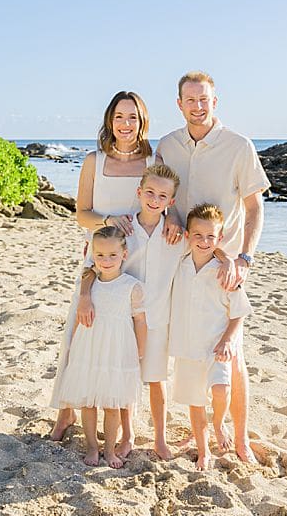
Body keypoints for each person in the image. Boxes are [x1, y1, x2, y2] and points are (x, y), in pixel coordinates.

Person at [155, 70, 269, 463]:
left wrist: (245, 259)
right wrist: (170, 216)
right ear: (179, 104)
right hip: (181, 265)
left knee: (232, 356)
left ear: (214, 102)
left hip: (226, 266)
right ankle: (202, 431)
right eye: (191, 99)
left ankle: (239, 440)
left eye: (204, 99)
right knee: (190, 354)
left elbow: (255, 209)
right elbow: (161, 195)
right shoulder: (167, 146)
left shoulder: (239, 146)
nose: (198, 106)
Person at [49, 91, 152, 444]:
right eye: (120, 117)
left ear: (142, 122)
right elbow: (81, 213)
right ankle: (66, 411)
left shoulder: (154, 161)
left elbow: (164, 201)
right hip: (101, 256)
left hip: (140, 259)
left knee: (122, 341)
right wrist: (106, 221)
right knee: (80, 334)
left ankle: (127, 425)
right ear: (110, 120)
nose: (126, 124)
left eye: (133, 117)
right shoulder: (94, 160)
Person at [52, 227, 147, 468]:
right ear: (92, 254)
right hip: (89, 348)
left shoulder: (131, 286)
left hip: (117, 351)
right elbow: (77, 319)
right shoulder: (89, 284)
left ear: (124, 254)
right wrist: (73, 344)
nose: (106, 261)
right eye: (100, 255)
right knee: (89, 402)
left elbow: (140, 321)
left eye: (112, 255)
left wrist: (139, 352)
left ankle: (110, 450)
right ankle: (92, 447)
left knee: (112, 404)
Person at [168, 204, 252, 470]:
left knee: (221, 389)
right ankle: (204, 452)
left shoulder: (223, 271)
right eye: (198, 236)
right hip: (188, 346)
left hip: (216, 346)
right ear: (187, 236)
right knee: (195, 401)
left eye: (211, 237)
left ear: (220, 239)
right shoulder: (179, 265)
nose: (204, 242)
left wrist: (228, 339)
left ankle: (218, 424)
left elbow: (239, 311)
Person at [121, 164, 183, 460]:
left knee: (157, 379)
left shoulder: (175, 236)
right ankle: (127, 434)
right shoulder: (124, 229)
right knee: (126, 376)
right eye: (149, 193)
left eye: (162, 196)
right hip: (124, 318)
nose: (154, 200)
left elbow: (204, 250)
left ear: (171, 203)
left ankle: (159, 438)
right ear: (139, 193)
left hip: (159, 319)